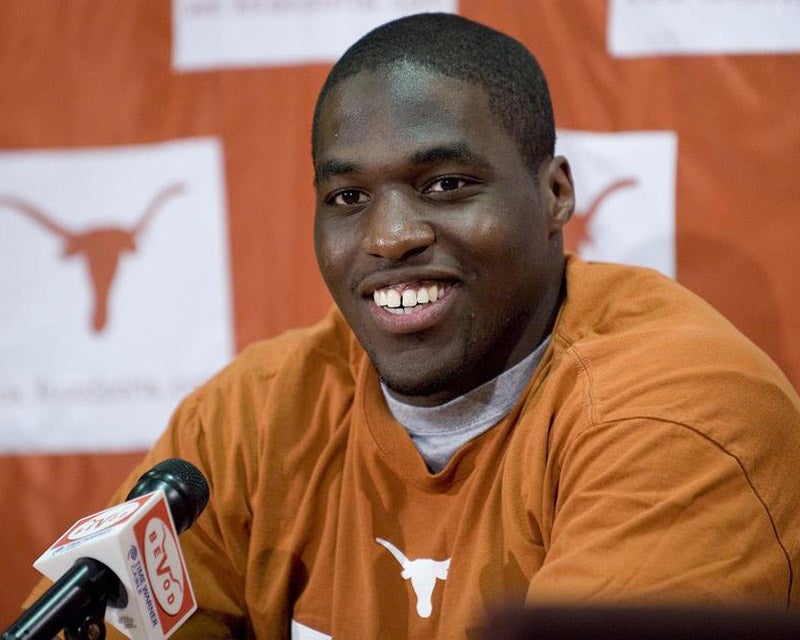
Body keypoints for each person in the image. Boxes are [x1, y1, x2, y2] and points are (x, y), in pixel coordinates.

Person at [32, 12, 800, 639]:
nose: (389, 236)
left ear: (557, 194)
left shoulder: (678, 415)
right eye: (347, 198)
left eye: (445, 183)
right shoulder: (245, 423)